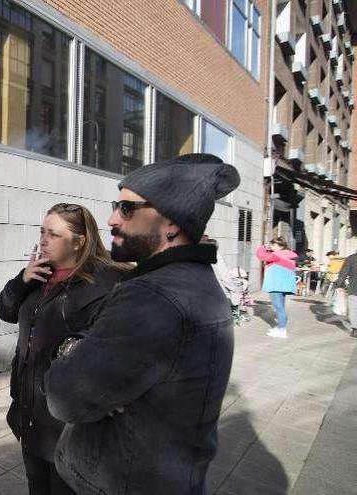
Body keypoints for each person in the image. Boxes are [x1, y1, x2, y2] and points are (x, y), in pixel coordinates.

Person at [45, 153, 240, 494]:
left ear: (172, 224)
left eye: (127, 208)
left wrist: (68, 351)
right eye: (115, 205)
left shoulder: (152, 297)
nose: (111, 219)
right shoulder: (195, 282)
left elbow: (65, 398)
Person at [0, 203, 126, 495]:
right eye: (42, 231)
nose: (43, 240)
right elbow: (5, 311)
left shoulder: (107, 282)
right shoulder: (38, 273)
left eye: (53, 234)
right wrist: (22, 280)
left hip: (67, 427)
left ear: (79, 242)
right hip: (29, 416)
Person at [256, 237, 297, 339]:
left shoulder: (277, 255)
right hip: (283, 285)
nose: (271, 247)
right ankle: (280, 327)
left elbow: (261, 256)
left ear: (280, 246)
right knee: (281, 307)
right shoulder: (288, 254)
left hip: (275, 284)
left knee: (278, 308)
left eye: (273, 245)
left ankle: (282, 330)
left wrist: (262, 247)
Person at [335, 251, 357, 338]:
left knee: (354, 307)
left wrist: (339, 285)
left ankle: (355, 329)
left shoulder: (351, 258)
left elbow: (343, 273)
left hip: (354, 287)